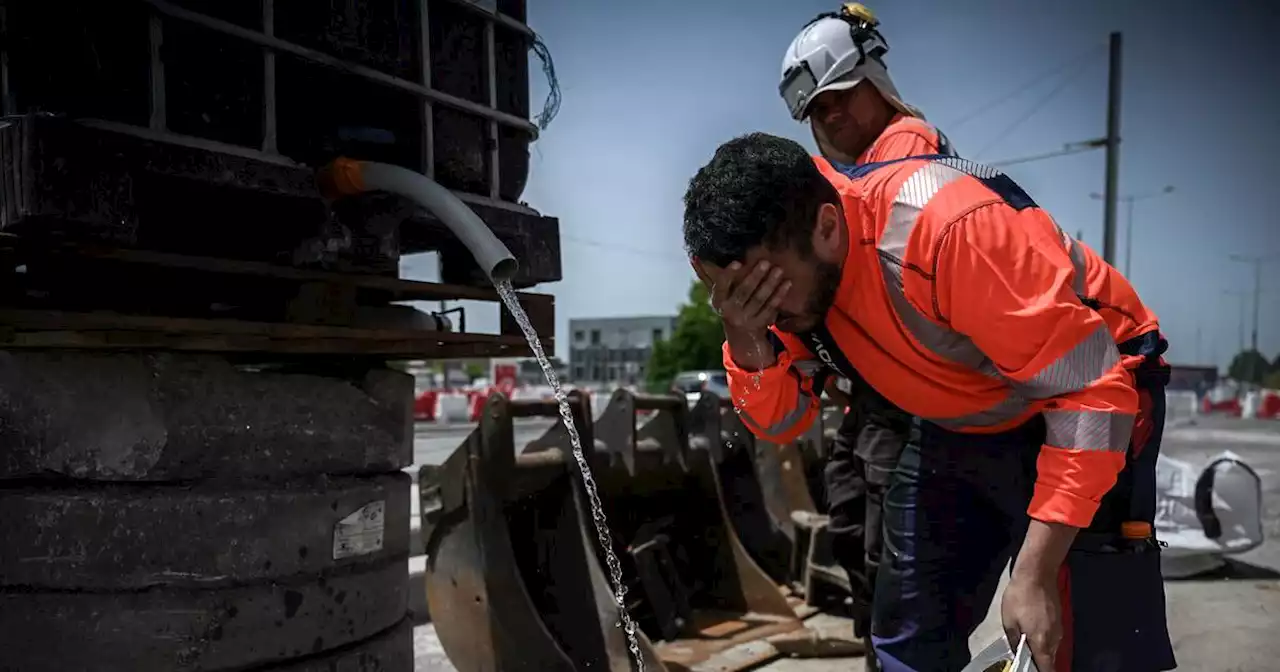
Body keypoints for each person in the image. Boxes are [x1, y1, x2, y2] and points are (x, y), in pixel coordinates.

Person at [682, 132, 1175, 672]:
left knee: (1085, 645)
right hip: (958, 415)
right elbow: (780, 421)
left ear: (826, 227)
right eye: (728, 295)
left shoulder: (944, 230)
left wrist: (1034, 572)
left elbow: (1090, 396)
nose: (760, 308)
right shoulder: (782, 288)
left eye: (765, 290)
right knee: (909, 640)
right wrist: (744, 334)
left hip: (1090, 392)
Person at [776, 4, 956, 652]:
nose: (829, 118)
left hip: (914, 399)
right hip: (871, 396)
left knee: (892, 564)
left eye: (839, 98)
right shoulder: (854, 171)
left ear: (874, 79)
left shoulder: (907, 152)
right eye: (816, 111)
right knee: (851, 527)